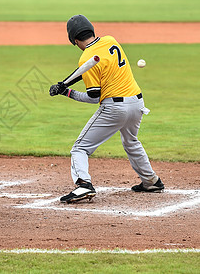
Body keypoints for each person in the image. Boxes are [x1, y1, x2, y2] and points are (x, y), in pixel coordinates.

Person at [50, 14, 164, 204]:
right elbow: (94, 64)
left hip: (115, 109)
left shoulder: (85, 58)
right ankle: (151, 181)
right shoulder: (111, 40)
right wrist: (65, 84)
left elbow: (93, 97)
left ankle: (83, 185)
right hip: (137, 104)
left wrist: (66, 92)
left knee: (80, 148)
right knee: (131, 141)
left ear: (74, 40)